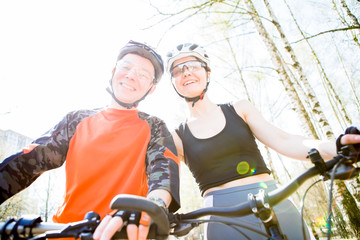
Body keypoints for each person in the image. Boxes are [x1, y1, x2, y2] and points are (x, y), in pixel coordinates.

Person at [165, 43, 360, 239]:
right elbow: (164, 186)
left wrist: (335, 146)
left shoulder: (239, 108)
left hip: (275, 201)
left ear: (208, 73)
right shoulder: (176, 137)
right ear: (173, 82)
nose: (186, 72)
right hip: (222, 219)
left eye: (193, 65)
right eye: (178, 69)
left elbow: (284, 140)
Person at [0, 40, 180, 240]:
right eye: (126, 67)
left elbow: (163, 173)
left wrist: (151, 209)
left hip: (123, 233)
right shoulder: (76, 120)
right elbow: (25, 164)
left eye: (143, 74)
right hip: (65, 232)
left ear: (151, 88)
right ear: (113, 71)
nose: (131, 76)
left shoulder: (155, 127)